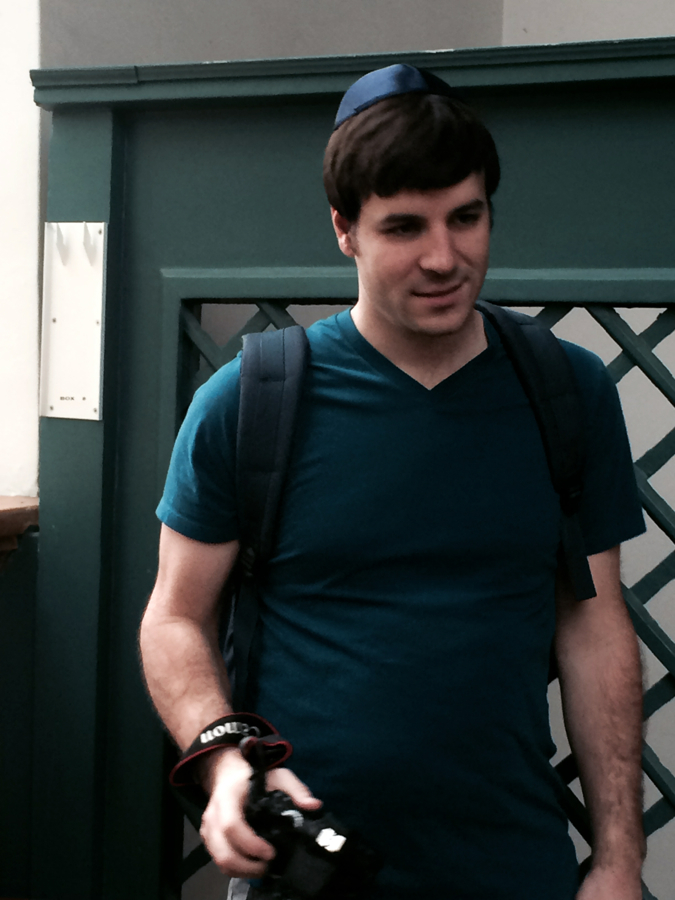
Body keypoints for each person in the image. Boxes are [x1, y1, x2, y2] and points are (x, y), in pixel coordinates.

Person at [140, 64, 647, 900]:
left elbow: (592, 626)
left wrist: (619, 858)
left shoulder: (568, 392)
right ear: (345, 229)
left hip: (511, 866)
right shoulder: (251, 401)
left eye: (465, 217)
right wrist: (225, 760)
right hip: (308, 873)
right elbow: (174, 617)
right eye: (404, 226)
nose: (443, 257)